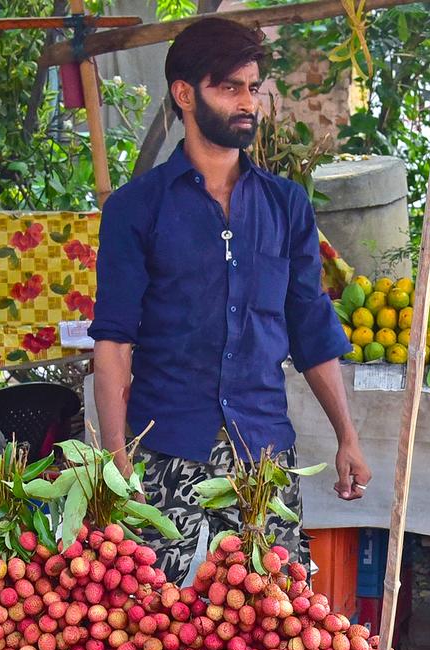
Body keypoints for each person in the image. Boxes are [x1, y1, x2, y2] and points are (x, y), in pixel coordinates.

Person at [89, 16, 369, 583]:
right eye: (230, 87)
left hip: (264, 454)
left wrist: (347, 436)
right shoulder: (135, 208)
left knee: (273, 634)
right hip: (164, 450)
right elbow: (115, 340)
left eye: (253, 86)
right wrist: (116, 460)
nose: (249, 102)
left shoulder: (286, 205)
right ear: (185, 94)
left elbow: (310, 326)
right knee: (150, 632)